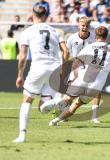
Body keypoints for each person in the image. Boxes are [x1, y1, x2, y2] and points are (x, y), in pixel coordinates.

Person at [40, 26, 110, 126]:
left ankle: (54, 102)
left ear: (95, 36)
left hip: (83, 78)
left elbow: (77, 62)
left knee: (68, 99)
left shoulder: (88, 47)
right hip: (96, 85)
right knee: (76, 105)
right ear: (106, 37)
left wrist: (75, 75)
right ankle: (54, 122)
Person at [13, 5, 69, 143]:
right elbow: (66, 52)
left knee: (27, 100)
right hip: (55, 69)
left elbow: (23, 56)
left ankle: (22, 135)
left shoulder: (27, 32)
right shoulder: (56, 31)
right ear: (46, 16)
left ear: (33, 15)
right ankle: (56, 100)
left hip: (38, 68)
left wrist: (20, 75)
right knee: (43, 109)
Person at [66, 16, 101, 123]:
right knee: (71, 93)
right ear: (79, 25)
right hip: (76, 68)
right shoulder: (71, 38)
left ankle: (95, 116)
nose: (85, 27)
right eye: (83, 25)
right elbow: (67, 53)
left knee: (97, 90)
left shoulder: (93, 39)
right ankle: (64, 114)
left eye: (87, 26)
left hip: (90, 68)